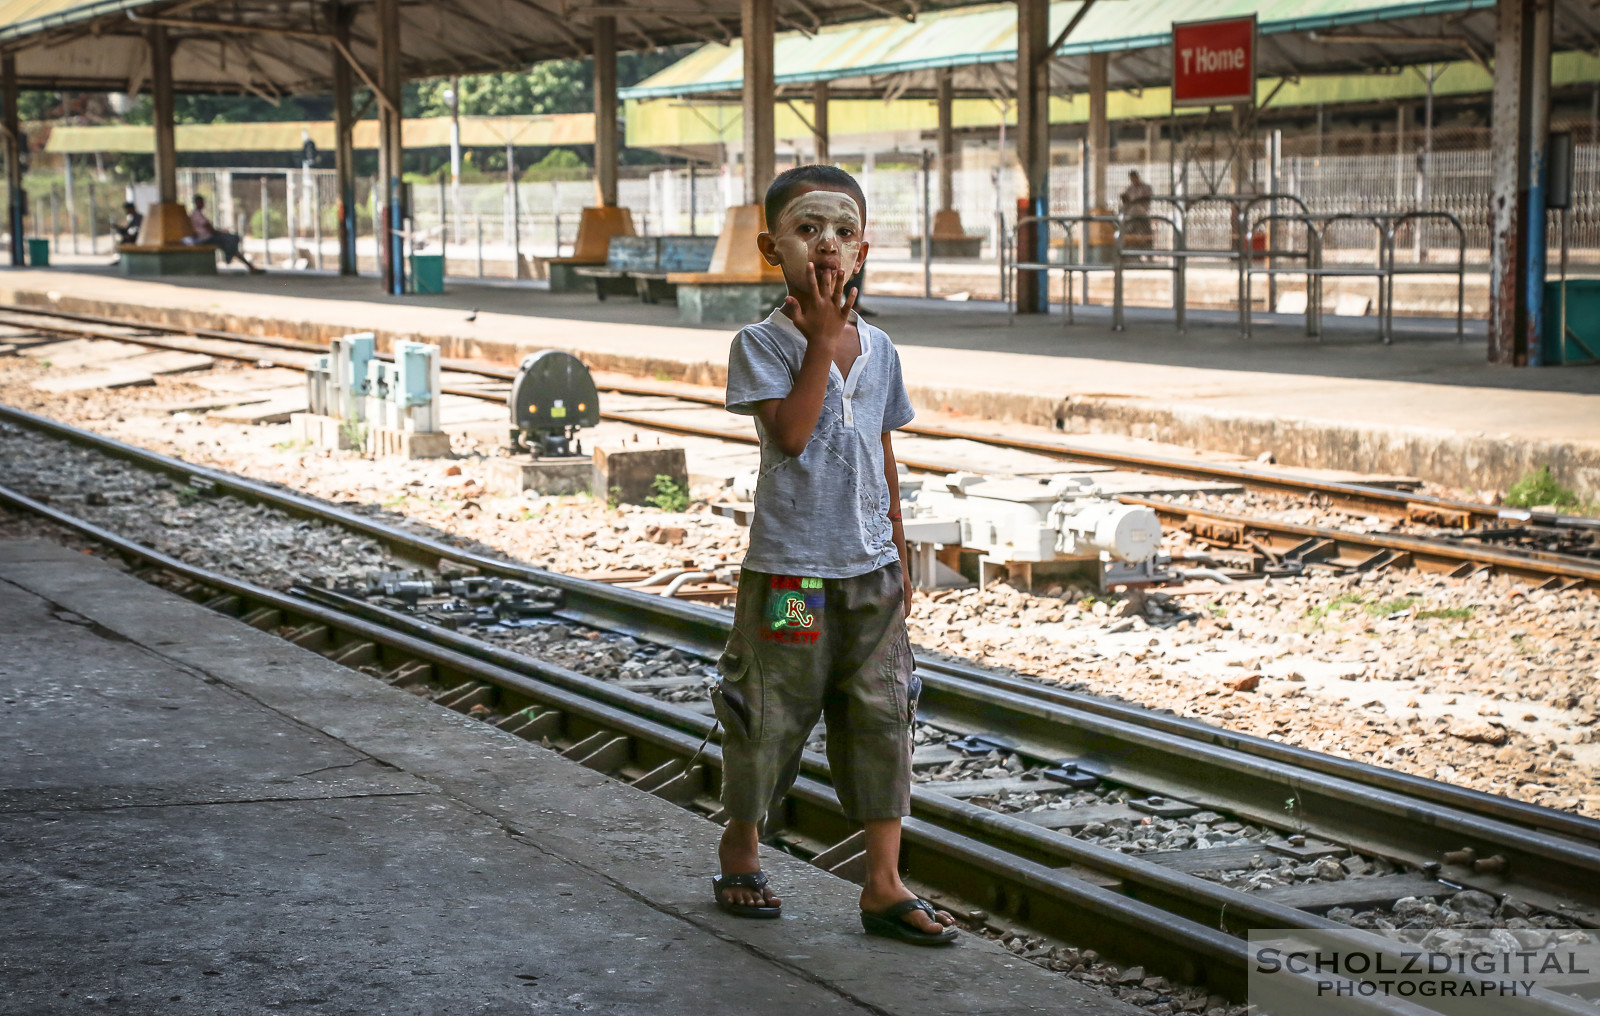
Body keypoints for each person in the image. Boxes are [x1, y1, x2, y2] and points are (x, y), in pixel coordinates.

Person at [710, 164, 958, 946]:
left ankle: (882, 885)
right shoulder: (760, 344)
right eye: (807, 230)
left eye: (843, 233)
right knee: (772, 710)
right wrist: (820, 340)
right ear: (769, 248)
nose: (826, 245)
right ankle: (742, 846)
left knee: (885, 714)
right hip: (793, 575)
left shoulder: (880, 348)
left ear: (862, 251)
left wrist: (899, 545)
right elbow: (788, 434)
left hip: (870, 573)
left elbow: (882, 446)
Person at [189, 195, 264, 273]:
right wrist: (221, 233)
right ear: (197, 203)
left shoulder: (199, 214)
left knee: (232, 243)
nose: (202, 204)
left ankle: (235, 257)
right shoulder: (197, 214)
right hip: (206, 239)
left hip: (209, 237)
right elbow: (211, 230)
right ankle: (230, 255)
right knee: (232, 239)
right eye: (200, 202)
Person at [1120, 170, 1154, 248]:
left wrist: (1136, 201)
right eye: (1132, 179)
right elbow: (1127, 201)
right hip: (1130, 209)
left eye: (1134, 178)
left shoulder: (1146, 187)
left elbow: (1146, 199)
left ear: (1137, 177)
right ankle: (1124, 229)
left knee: (1135, 209)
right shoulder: (1129, 189)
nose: (1133, 180)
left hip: (1141, 209)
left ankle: (1128, 227)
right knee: (1122, 209)